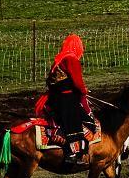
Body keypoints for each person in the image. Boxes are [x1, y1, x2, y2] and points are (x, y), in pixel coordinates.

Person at [37, 33, 95, 165]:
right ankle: (73, 152)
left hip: (55, 97)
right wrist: (84, 91)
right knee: (78, 119)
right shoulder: (71, 59)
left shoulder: (60, 58)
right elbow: (77, 82)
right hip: (66, 98)